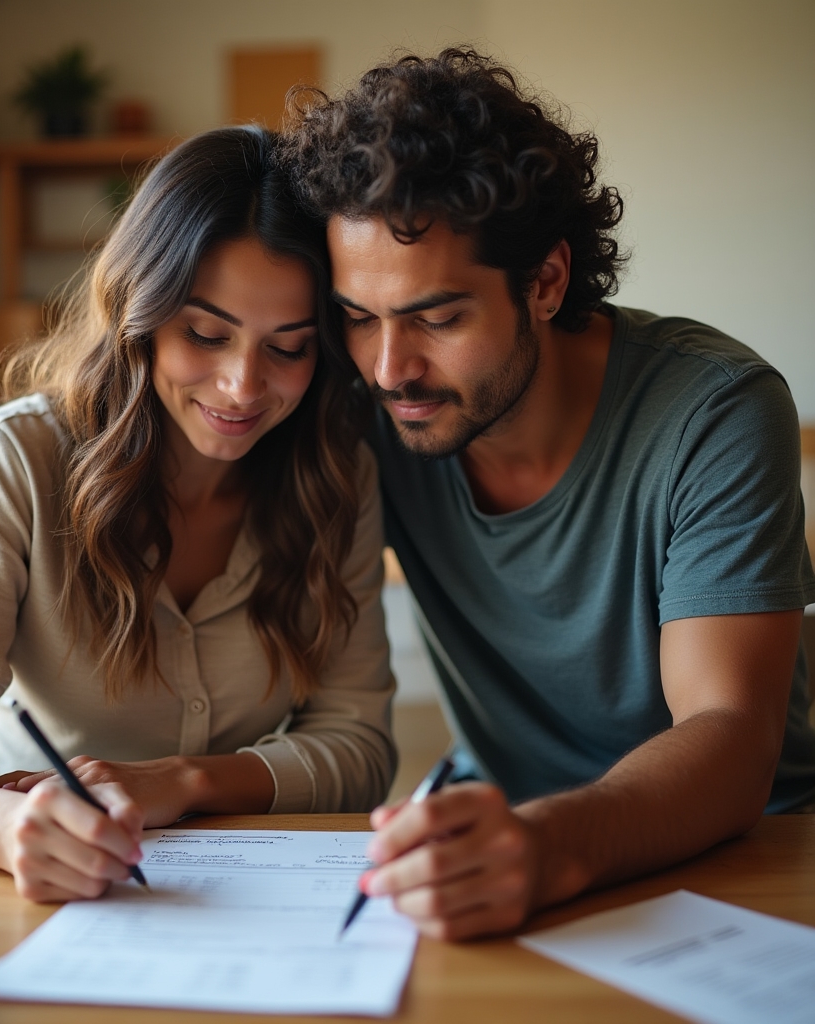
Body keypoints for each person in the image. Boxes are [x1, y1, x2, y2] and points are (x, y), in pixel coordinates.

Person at [282, 48, 815, 940]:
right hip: (506, 865)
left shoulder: (713, 409)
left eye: (438, 318)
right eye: (359, 316)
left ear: (547, 282)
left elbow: (730, 731)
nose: (390, 368)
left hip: (750, 863)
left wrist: (545, 846)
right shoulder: (369, 407)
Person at [0, 127, 395, 902]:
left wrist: (185, 781)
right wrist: (6, 832)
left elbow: (361, 745)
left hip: (260, 899)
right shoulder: (19, 458)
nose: (242, 386)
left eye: (290, 348)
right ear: (139, 311)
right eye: (205, 334)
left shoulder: (338, 474)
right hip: (36, 893)